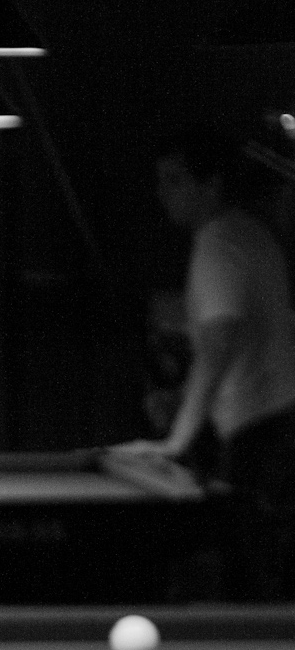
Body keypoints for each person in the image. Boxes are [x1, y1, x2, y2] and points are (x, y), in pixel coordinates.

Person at [115, 126, 295, 599]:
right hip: (275, 433)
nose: (163, 193)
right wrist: (182, 401)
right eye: (160, 180)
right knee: (260, 582)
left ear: (211, 185)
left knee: (252, 587)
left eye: (176, 180)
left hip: (262, 439)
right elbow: (238, 349)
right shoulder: (247, 233)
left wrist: (177, 439)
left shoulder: (218, 241)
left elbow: (219, 346)